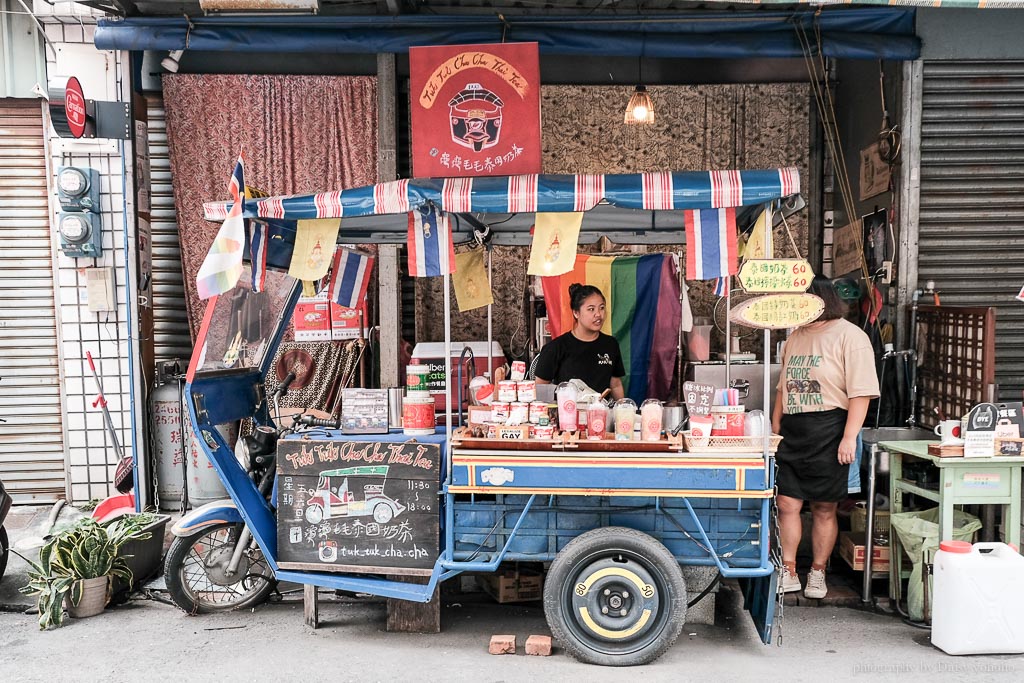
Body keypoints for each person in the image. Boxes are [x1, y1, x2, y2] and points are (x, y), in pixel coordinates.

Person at [771, 276, 879, 600]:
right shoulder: (795, 337)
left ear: (821, 300)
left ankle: (817, 572)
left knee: (824, 507)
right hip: (794, 429)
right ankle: (789, 570)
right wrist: (776, 425)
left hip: (832, 429)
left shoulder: (851, 336)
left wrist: (849, 438)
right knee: (786, 502)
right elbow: (783, 386)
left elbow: (861, 393)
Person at [534, 283, 625, 400]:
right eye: (591, 309)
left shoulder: (611, 344)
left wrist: (622, 410)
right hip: (567, 414)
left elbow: (616, 384)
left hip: (600, 415)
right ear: (576, 313)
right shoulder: (556, 348)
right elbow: (540, 388)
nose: (598, 314)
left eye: (602, 308)